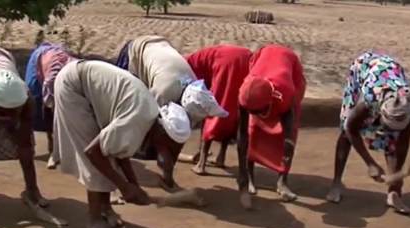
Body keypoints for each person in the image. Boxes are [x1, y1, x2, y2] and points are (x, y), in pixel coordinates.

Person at [53, 60, 191, 228]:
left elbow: (120, 151)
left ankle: (105, 209)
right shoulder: (138, 118)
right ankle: (94, 224)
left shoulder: (150, 116)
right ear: (161, 131)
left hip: (84, 81)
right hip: (73, 88)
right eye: (169, 144)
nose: (168, 149)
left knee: (108, 151)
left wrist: (134, 185)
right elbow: (93, 152)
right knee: (95, 164)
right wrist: (124, 186)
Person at [0, 46, 65, 225]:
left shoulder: (26, 98)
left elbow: (24, 145)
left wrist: (13, 126)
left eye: (17, 109)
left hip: (3, 58)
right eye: (10, 110)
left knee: (26, 144)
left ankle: (33, 191)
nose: (14, 113)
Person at [115, 35, 227, 192]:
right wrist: (161, 149)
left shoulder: (195, 87)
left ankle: (162, 173)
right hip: (136, 49)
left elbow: (179, 133)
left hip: (161, 45)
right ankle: (115, 162)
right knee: (127, 113)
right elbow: (147, 121)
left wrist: (171, 158)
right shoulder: (162, 93)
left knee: (171, 133)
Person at [325, 52, 410, 214]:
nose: (389, 130)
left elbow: (402, 142)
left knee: (392, 139)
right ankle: (336, 182)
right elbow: (351, 129)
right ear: (380, 115)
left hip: (393, 70)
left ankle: (393, 194)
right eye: (387, 125)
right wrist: (370, 164)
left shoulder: (409, 107)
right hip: (364, 68)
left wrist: (395, 177)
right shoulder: (368, 100)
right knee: (345, 130)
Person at [236, 45, 306, 209]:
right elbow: (242, 133)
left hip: (290, 67)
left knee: (289, 136)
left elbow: (288, 118)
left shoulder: (285, 90)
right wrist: (242, 174)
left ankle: (282, 181)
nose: (253, 113)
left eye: (257, 110)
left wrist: (288, 143)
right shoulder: (245, 93)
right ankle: (250, 177)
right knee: (253, 130)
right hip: (263, 56)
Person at [181, 45, 252, 175]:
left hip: (226, 62)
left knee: (214, 108)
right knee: (232, 107)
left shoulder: (185, 70)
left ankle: (201, 163)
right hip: (247, 59)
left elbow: (200, 99)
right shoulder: (194, 61)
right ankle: (221, 157)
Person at [25, 43, 75, 170]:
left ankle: (60, 149)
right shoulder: (51, 79)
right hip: (39, 59)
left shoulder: (75, 67)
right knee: (32, 100)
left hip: (56, 58)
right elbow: (49, 103)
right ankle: (38, 147)